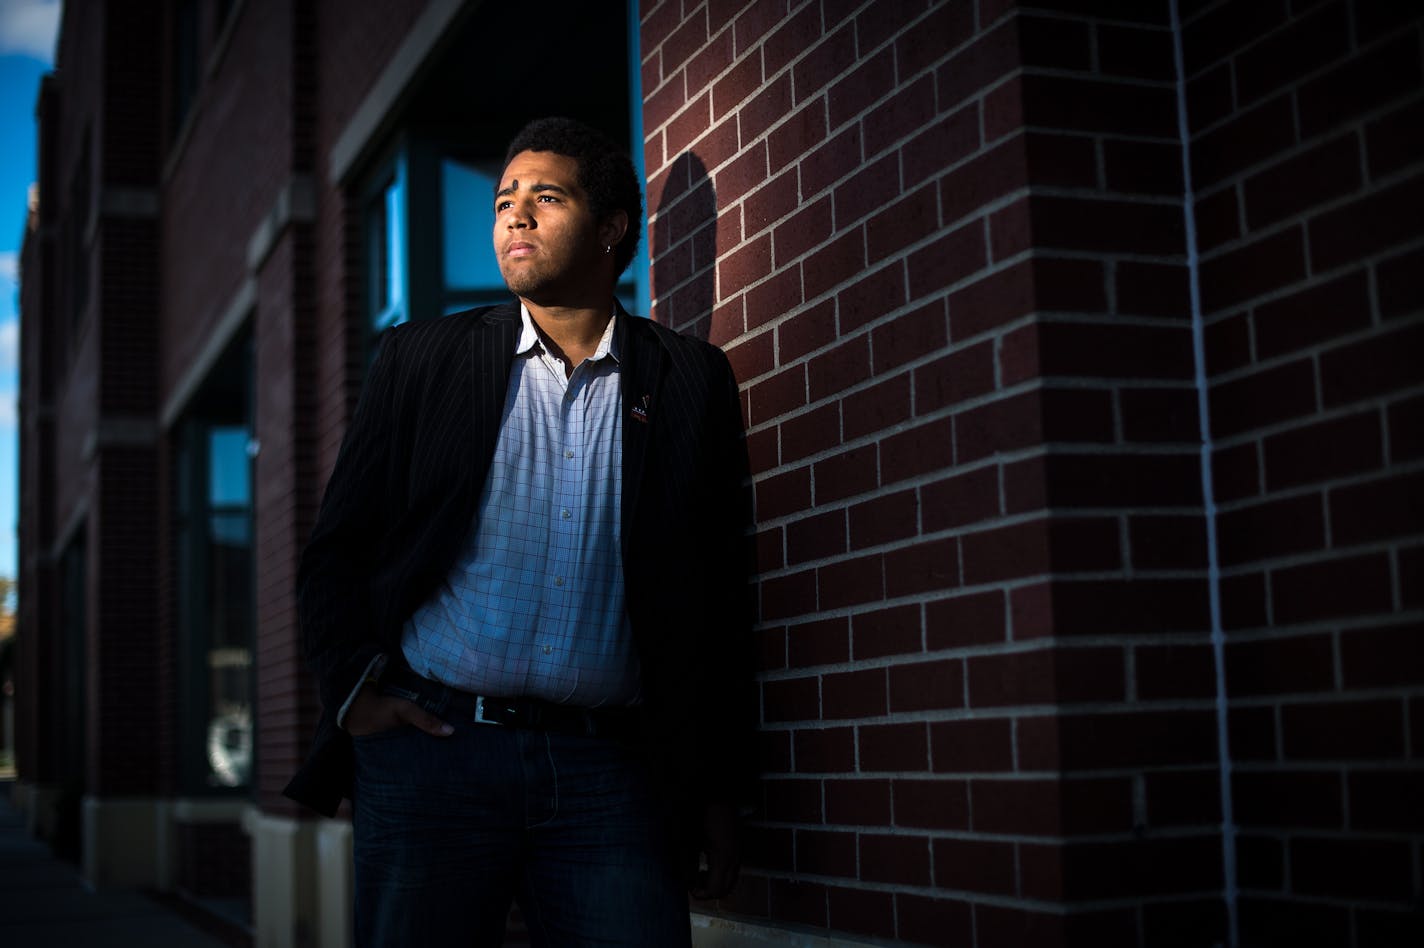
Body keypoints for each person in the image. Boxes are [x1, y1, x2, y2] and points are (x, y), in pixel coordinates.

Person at [283, 116, 756, 946]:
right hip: (435, 759)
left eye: (546, 197)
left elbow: (716, 599)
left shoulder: (690, 380)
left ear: (612, 228)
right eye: (505, 200)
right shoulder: (421, 360)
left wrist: (713, 790)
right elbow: (337, 550)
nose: (515, 216)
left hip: (613, 775)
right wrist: (356, 694)